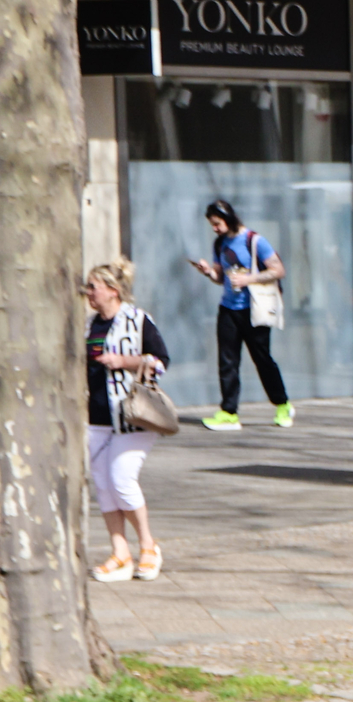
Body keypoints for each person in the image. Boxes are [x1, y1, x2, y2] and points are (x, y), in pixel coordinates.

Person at [83, 260, 170, 583]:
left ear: (112, 291)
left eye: (93, 287)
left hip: (132, 416)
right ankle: (120, 553)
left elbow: (160, 361)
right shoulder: (90, 325)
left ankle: (148, 545)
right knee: (104, 486)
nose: (89, 293)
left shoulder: (136, 319)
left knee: (122, 478)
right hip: (97, 417)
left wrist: (123, 361)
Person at [188, 199, 291, 431]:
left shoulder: (254, 241)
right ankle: (228, 412)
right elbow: (221, 278)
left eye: (217, 223)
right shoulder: (220, 244)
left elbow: (279, 270)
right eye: (212, 225)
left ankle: (282, 404)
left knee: (262, 359)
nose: (214, 228)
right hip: (228, 308)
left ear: (229, 218)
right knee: (227, 362)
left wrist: (249, 279)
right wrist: (208, 272)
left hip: (253, 309)